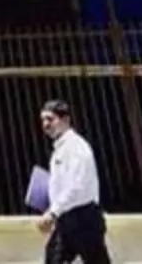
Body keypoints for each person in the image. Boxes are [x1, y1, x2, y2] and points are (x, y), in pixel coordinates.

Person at [37, 100, 110, 264]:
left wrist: (52, 212)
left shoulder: (77, 147)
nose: (46, 124)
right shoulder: (60, 149)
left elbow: (78, 186)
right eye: (43, 120)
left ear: (65, 120)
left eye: (50, 119)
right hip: (66, 219)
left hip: (84, 218)